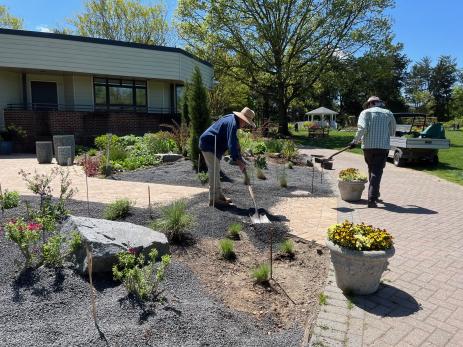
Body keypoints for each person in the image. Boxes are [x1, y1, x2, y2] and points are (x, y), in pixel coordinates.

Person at [199, 107, 256, 207]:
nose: (246, 124)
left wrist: (240, 159)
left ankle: (219, 195)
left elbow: (235, 143)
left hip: (212, 145)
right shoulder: (233, 123)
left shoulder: (232, 119)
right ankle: (213, 199)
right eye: (246, 122)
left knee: (216, 170)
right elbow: (231, 144)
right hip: (208, 144)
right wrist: (238, 162)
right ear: (242, 119)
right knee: (214, 171)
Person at [349, 96, 396, 208]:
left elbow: (362, 128)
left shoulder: (365, 113)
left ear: (370, 104)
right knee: (376, 172)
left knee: (372, 170)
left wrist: (354, 142)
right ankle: (372, 199)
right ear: (379, 103)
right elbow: (392, 130)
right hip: (382, 147)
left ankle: (375, 194)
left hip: (368, 147)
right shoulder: (388, 113)